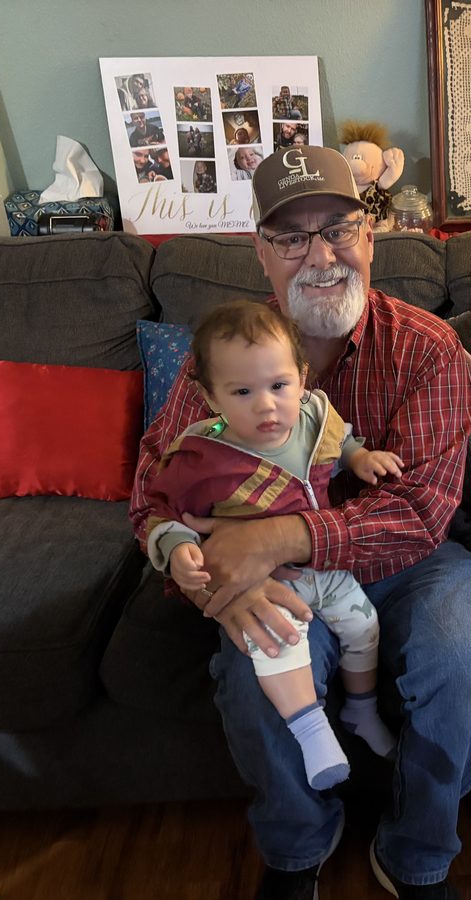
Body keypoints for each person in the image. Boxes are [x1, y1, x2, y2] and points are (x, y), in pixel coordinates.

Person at [130, 145, 471, 900]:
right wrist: (218, 581)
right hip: (273, 571)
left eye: (337, 229)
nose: (320, 256)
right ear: (261, 256)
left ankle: (415, 852)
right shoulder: (223, 356)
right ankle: (299, 845)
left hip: (412, 562)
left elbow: (421, 511)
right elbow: (156, 486)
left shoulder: (427, 348)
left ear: (369, 237)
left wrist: (277, 537)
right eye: (291, 237)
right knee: (252, 672)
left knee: (466, 669)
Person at [144, 300, 401, 790]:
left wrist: (360, 456)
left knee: (365, 627)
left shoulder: (311, 417)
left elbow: (338, 441)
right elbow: (164, 511)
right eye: (242, 391)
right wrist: (177, 552)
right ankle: (312, 731)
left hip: (324, 563)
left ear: (302, 378)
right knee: (277, 644)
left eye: (279, 385)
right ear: (210, 396)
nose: (266, 405)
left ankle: (362, 713)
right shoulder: (201, 454)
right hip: (262, 583)